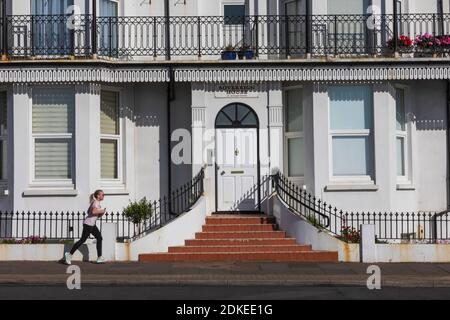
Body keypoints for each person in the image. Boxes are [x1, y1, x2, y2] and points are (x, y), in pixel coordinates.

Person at [64, 190, 107, 265]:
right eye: (102, 194)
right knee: (82, 240)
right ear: (98, 196)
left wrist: (101, 213)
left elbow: (90, 213)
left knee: (99, 238)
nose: (103, 196)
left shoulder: (95, 202)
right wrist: (102, 211)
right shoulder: (96, 202)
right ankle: (69, 255)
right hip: (88, 224)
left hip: (91, 225)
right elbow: (93, 212)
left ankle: (99, 257)